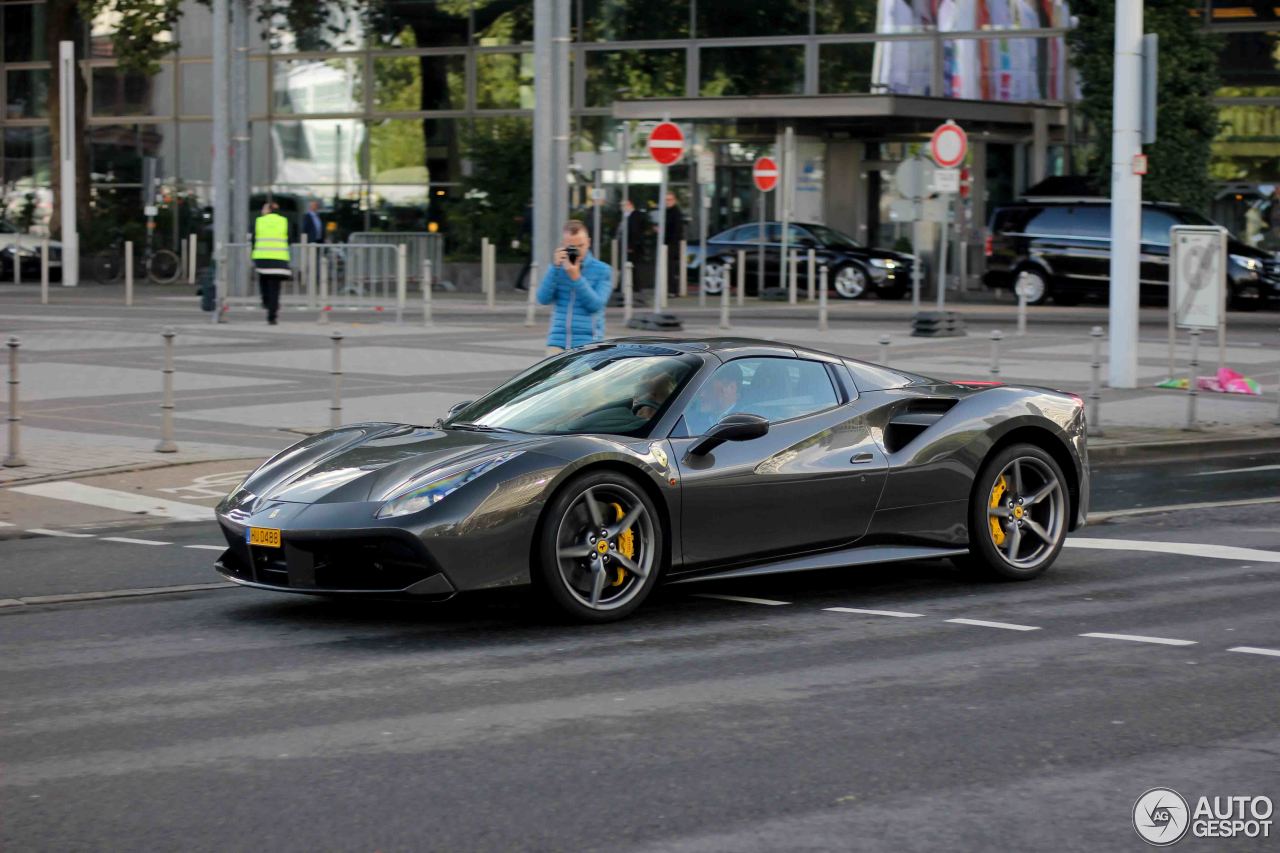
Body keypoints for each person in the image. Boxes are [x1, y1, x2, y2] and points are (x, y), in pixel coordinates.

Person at [537, 220, 613, 355]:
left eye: (581, 246)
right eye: (572, 247)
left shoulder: (603, 270)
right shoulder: (558, 268)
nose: (578, 251)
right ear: (563, 245)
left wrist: (576, 277)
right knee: (554, 376)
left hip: (589, 342)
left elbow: (596, 305)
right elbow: (543, 299)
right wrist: (554, 268)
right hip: (558, 340)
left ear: (588, 242)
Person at [251, 201, 293, 325]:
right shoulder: (284, 221)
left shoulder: (259, 221)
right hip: (279, 259)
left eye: (264, 208)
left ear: (268, 210)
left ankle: (266, 302)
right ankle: (272, 316)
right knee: (275, 289)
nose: (262, 211)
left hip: (262, 258)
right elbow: (290, 238)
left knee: (263, 283)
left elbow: (254, 239)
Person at [684, 362, 744, 435]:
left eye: (708, 388)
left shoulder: (746, 423)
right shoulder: (692, 417)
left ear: (731, 388)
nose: (701, 394)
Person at [663, 191, 686, 296]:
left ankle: (673, 290)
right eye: (666, 200)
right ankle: (670, 289)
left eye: (669, 199)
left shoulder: (675, 212)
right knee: (668, 268)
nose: (667, 202)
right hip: (668, 244)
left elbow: (676, 230)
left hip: (672, 244)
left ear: (674, 200)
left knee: (671, 268)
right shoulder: (668, 211)